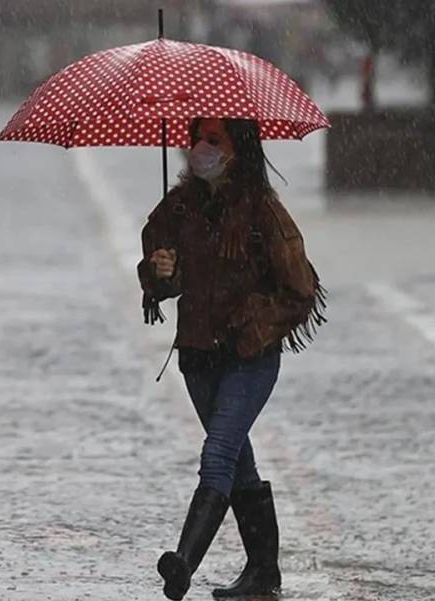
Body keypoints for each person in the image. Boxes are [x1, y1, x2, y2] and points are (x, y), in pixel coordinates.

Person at [140, 118, 326, 601]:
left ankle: (182, 564)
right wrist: (160, 272)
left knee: (218, 453)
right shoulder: (178, 208)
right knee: (237, 463)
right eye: (196, 138)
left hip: (249, 359)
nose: (200, 148)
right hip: (198, 360)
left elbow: (301, 290)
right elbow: (165, 278)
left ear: (238, 149)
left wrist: (254, 320)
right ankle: (264, 573)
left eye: (213, 140)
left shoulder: (264, 211)